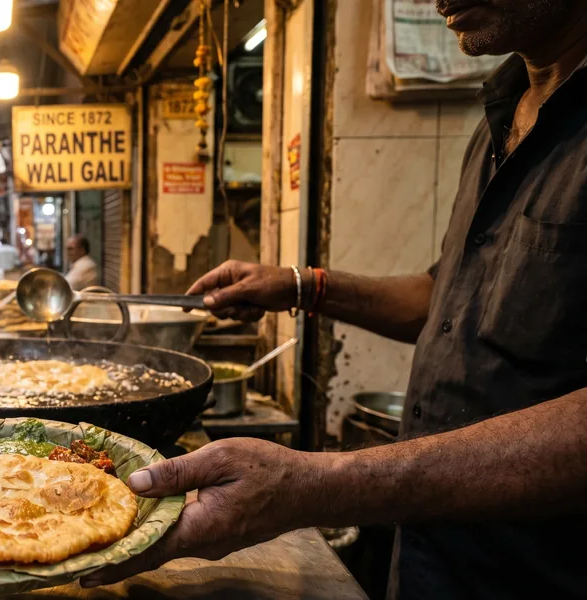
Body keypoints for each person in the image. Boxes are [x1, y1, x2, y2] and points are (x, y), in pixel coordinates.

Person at [82, 3, 587, 597]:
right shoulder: (499, 118)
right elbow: (444, 300)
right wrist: (301, 285)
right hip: (433, 557)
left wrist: (318, 484)